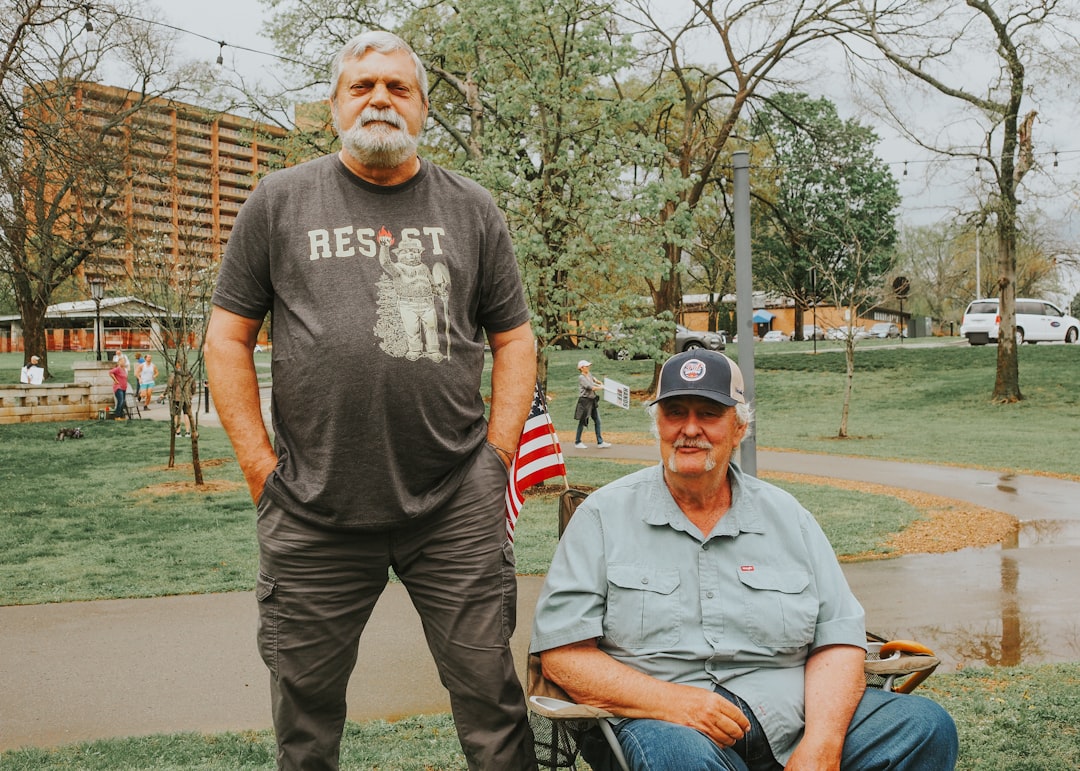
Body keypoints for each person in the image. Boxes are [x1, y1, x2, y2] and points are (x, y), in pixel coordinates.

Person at [204, 30, 538, 771]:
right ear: (333, 106)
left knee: (492, 704)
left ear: (423, 108)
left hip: (453, 503)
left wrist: (496, 461)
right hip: (313, 510)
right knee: (305, 719)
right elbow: (225, 339)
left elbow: (515, 340)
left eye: (399, 87)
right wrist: (261, 468)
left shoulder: (473, 209)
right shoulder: (278, 201)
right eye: (363, 86)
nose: (380, 98)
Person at [532, 350, 958, 771]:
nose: (690, 429)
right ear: (657, 424)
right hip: (663, 722)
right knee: (678, 757)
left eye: (710, 413)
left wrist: (822, 745)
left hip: (793, 718)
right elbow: (563, 654)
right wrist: (674, 702)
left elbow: (838, 639)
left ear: (739, 427)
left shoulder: (789, 518)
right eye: (675, 412)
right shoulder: (602, 517)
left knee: (924, 726)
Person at [573, 359, 611, 449]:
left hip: (592, 400)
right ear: (581, 368)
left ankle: (600, 442)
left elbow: (593, 379)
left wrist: (598, 382)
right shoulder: (581, 377)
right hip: (585, 401)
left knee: (598, 421)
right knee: (583, 421)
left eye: (588, 366)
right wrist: (601, 387)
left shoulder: (588, 374)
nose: (588, 367)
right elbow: (591, 387)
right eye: (586, 366)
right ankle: (577, 442)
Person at [167, 363, 195, 437]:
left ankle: (178, 432)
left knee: (176, 415)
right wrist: (191, 393)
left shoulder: (174, 375)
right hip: (186, 397)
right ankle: (187, 432)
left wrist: (165, 394)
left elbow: (170, 385)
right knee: (186, 414)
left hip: (177, 397)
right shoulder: (189, 374)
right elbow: (193, 385)